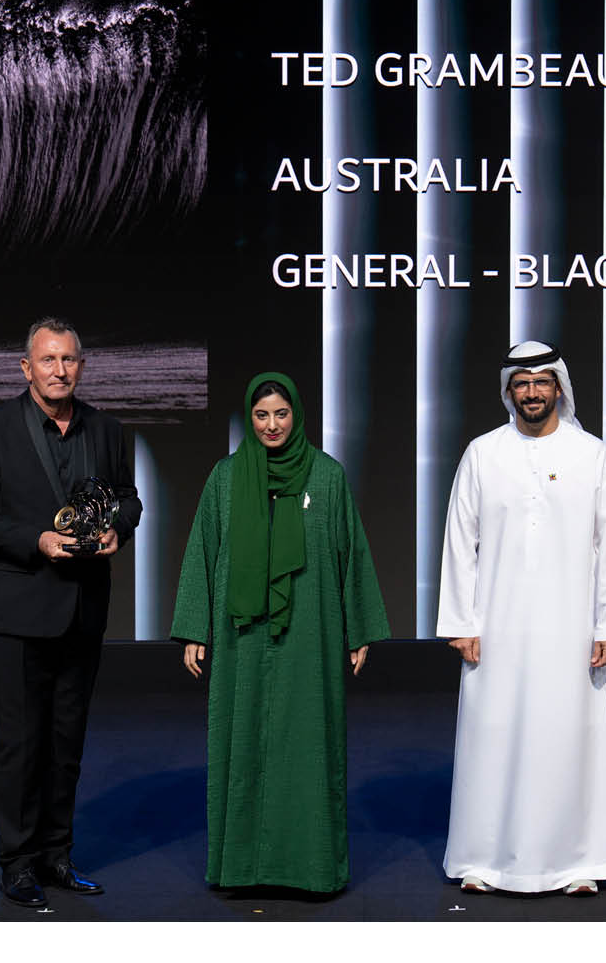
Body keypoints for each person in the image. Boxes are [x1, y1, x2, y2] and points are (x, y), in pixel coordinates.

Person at [170, 372, 391, 894]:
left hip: (310, 636)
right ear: (250, 417)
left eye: (282, 414)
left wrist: (358, 630)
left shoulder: (327, 477)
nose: (272, 425)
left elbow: (350, 553)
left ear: (298, 417)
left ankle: (310, 868)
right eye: (262, 414)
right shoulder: (225, 478)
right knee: (240, 735)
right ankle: (240, 866)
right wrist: (195, 629)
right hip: (239, 637)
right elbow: (203, 551)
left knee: (309, 740)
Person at [0, 317, 142, 908]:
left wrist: (116, 530)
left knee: (67, 738)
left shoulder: (105, 429)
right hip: (16, 607)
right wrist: (37, 539)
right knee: (22, 741)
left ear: (83, 365)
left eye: (70, 360)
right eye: (48, 360)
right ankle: (17, 863)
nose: (60, 370)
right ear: (25, 368)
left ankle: (57, 855)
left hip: (82, 606)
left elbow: (129, 498)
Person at [436, 341, 606, 895]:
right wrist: (461, 621)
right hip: (495, 628)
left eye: (542, 382)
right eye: (521, 384)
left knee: (569, 736)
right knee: (490, 734)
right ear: (508, 391)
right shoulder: (483, 453)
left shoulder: (591, 454)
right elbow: (459, 539)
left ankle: (577, 862)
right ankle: (482, 859)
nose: (531, 393)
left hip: (571, 628)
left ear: (559, 388)